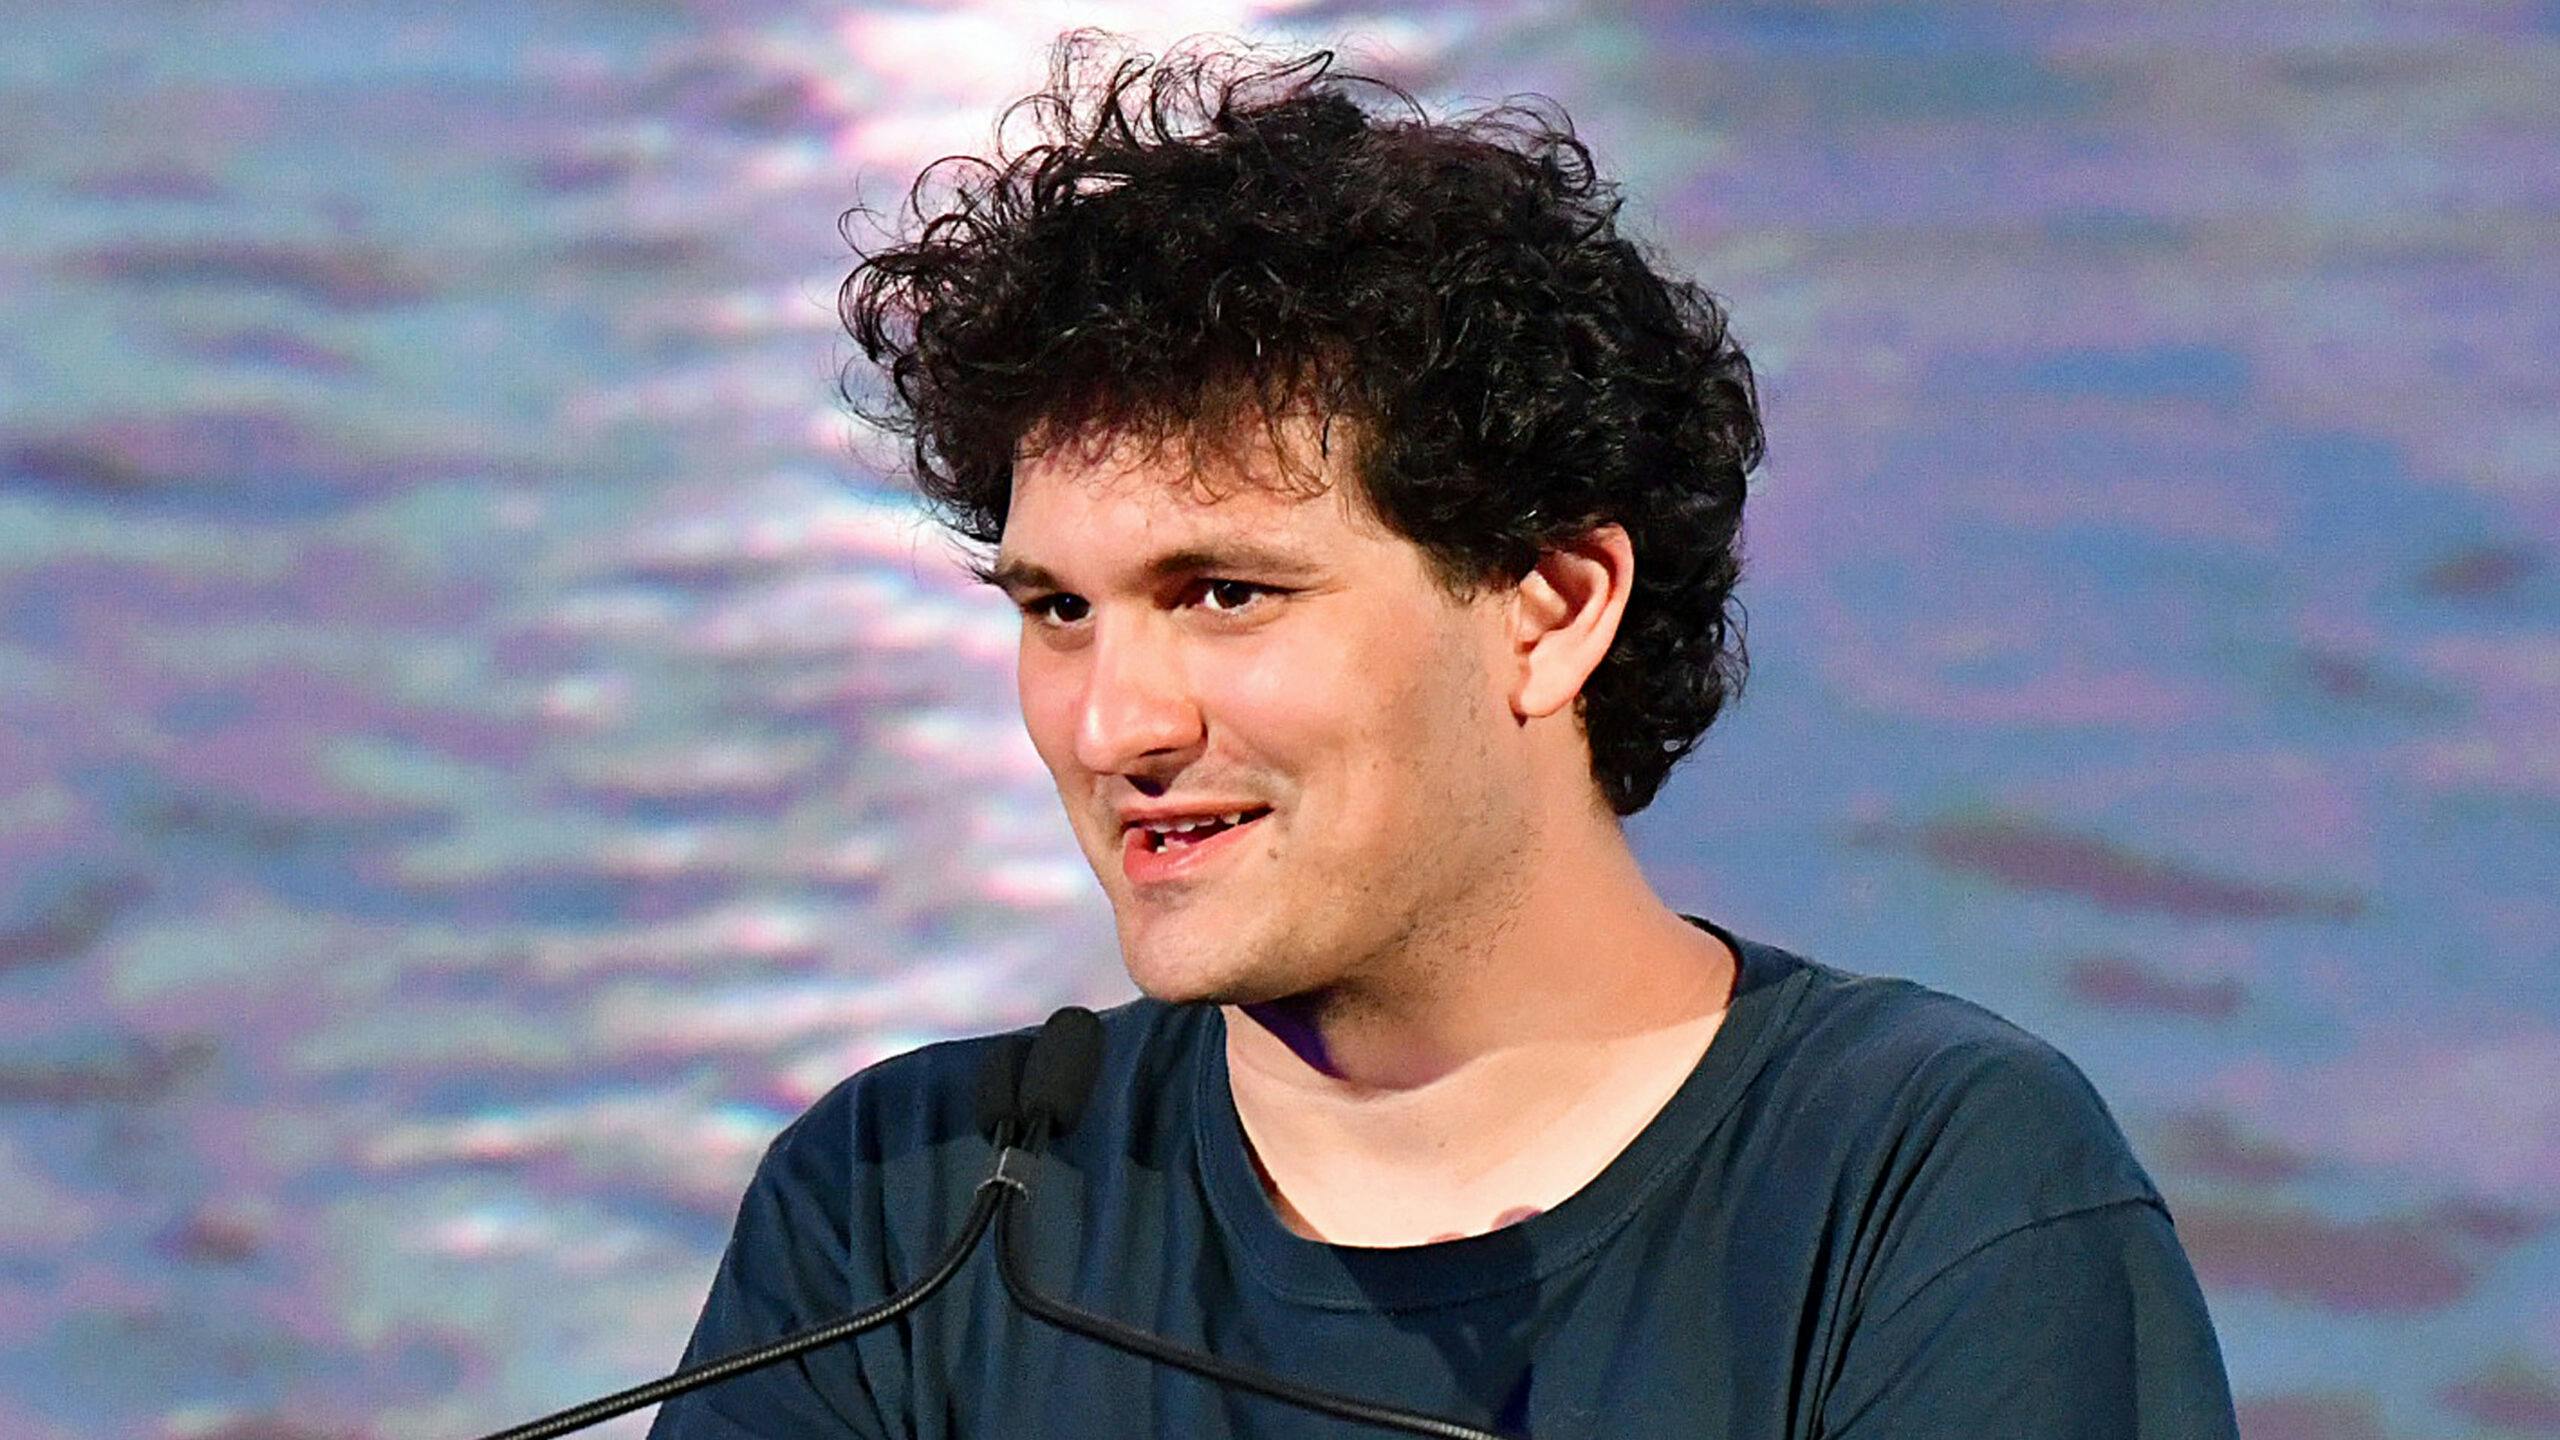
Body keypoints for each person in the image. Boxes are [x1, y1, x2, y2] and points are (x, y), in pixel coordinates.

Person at [651, 36, 2240, 1439]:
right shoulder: (908, 1216)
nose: (1115, 723)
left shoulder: (1927, 1189)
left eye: (1224, 594)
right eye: (1059, 609)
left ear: (1551, 608)